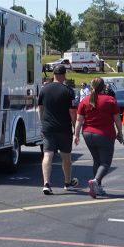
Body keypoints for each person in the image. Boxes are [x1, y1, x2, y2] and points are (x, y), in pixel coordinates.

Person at [72, 77, 123, 198]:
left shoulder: (85, 100)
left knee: (97, 160)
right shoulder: (110, 100)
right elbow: (117, 119)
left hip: (88, 134)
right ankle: (96, 181)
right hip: (105, 134)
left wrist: (76, 135)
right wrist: (120, 133)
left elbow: (79, 120)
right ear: (104, 87)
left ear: (91, 87)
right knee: (105, 163)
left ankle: (97, 187)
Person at [37, 65, 78, 195]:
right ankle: (67, 182)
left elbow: (40, 109)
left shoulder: (44, 89)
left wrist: (42, 123)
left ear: (53, 74)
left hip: (48, 128)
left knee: (48, 154)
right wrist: (75, 128)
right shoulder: (68, 91)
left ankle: (46, 184)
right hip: (64, 129)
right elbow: (72, 113)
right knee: (66, 157)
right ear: (64, 75)